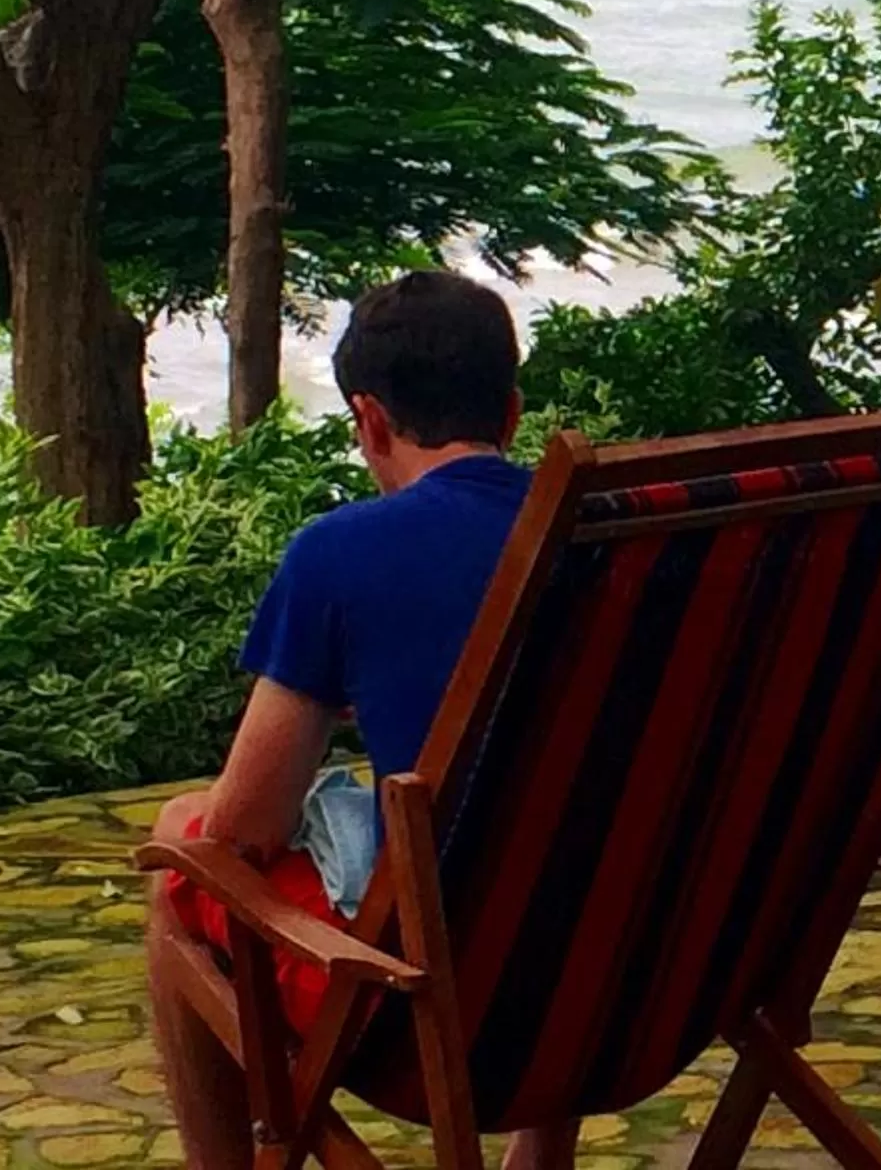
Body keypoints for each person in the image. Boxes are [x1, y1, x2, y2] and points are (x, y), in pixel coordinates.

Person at [143, 270, 573, 1170]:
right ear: (511, 410)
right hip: (633, 992)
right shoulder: (610, 533)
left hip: (440, 1023)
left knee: (184, 842)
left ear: (370, 420)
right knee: (566, 825)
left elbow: (245, 831)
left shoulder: (341, 556)